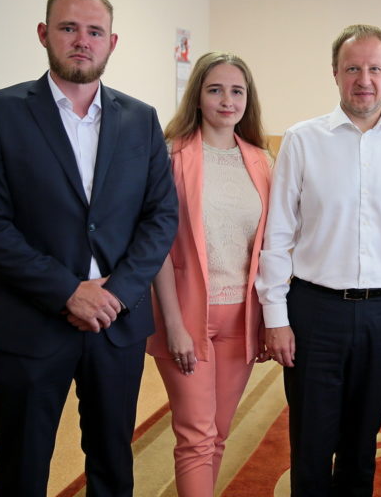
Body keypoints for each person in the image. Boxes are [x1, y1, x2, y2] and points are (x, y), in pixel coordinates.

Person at [0, 0, 178, 497]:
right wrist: (68, 291)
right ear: (44, 34)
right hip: (31, 323)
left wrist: (115, 293)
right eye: (68, 28)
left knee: (112, 462)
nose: (83, 41)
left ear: (112, 42)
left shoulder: (141, 119)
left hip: (117, 324)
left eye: (95, 31)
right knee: (22, 466)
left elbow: (160, 216)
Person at [256, 24, 381, 496]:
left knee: (362, 446)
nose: (364, 79)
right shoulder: (301, 140)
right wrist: (275, 317)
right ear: (335, 74)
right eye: (352, 68)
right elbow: (277, 234)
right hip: (314, 311)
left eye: (375, 68)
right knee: (311, 444)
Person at [145, 52, 272, 496]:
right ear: (197, 96)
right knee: (196, 436)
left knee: (217, 433)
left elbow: (269, 247)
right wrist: (173, 324)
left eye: (237, 91)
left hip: (241, 318)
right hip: (185, 315)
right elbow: (156, 246)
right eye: (215, 89)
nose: (226, 100)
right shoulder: (170, 155)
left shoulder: (261, 160)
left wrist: (268, 320)